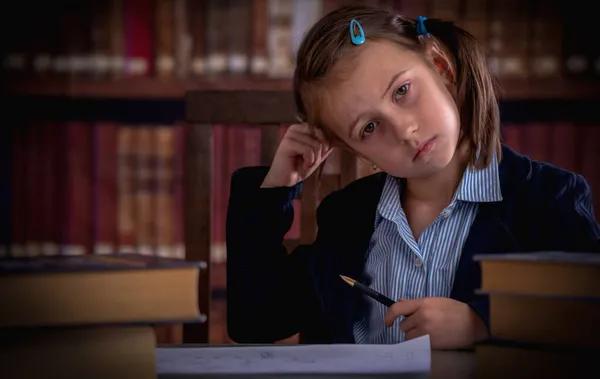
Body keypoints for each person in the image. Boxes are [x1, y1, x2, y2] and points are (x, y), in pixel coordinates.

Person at [225, 5, 600, 349]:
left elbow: (587, 317)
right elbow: (255, 320)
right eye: (369, 128)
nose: (404, 131)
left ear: (440, 66)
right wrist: (276, 190)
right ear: (353, 149)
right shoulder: (346, 217)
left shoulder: (546, 200)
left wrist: (484, 325)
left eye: (402, 91)